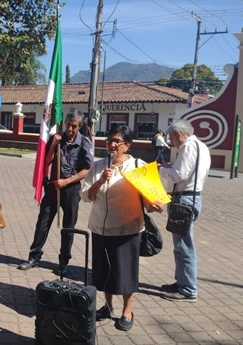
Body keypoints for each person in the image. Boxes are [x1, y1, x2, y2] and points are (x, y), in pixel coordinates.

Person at [80, 126, 163, 332]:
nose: (112, 144)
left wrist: (155, 204)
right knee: (104, 271)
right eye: (109, 140)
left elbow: (153, 203)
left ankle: (127, 311)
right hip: (101, 226)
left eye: (117, 141)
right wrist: (100, 181)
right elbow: (84, 196)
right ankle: (107, 307)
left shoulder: (139, 167)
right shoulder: (98, 166)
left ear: (127, 145)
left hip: (128, 229)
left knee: (125, 273)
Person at [17, 112, 94, 275]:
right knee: (43, 221)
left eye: (74, 126)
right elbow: (46, 162)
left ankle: (63, 262)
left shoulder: (84, 142)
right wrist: (54, 144)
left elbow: (87, 170)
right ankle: (34, 256)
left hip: (71, 189)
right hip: (53, 187)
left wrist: (66, 181)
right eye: (68, 124)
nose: (70, 128)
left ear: (79, 127)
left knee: (68, 227)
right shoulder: (57, 138)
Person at [159, 119, 211, 302]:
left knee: (184, 247)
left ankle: (188, 289)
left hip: (184, 199)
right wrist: (171, 168)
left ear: (179, 134)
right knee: (181, 245)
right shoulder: (201, 146)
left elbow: (179, 175)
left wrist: (161, 170)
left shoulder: (188, 147)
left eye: (171, 138)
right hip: (192, 197)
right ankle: (182, 282)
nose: (171, 142)